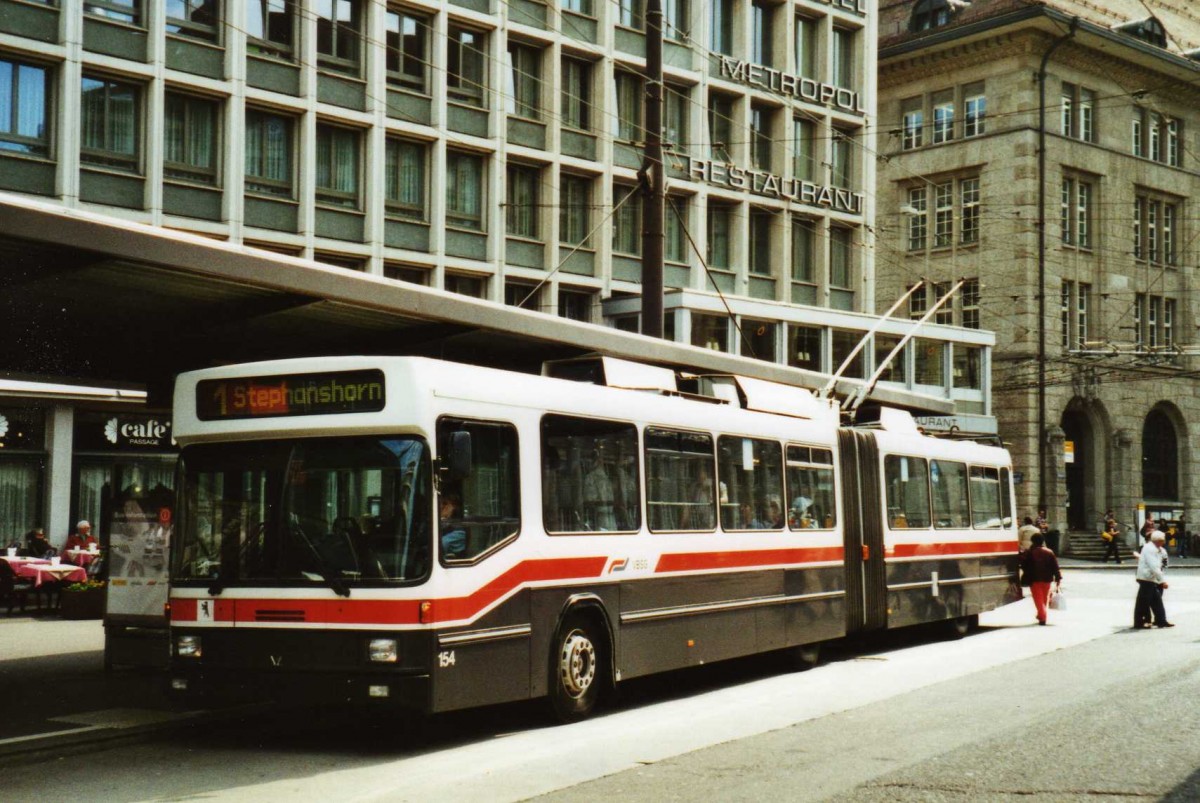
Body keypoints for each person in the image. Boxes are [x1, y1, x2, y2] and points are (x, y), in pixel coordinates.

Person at [1133, 530, 1173, 629]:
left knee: (1156, 600)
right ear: (1157, 540)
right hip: (1146, 578)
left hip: (1151, 578)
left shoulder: (1157, 549)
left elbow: (1162, 563)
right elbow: (1154, 566)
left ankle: (1161, 620)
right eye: (1162, 540)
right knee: (1143, 601)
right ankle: (1139, 621)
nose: (1164, 542)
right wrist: (1162, 580)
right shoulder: (1150, 549)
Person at [1021, 533, 1062, 626]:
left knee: (1038, 600)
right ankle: (1040, 615)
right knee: (1044, 599)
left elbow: (1024, 565)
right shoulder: (1049, 552)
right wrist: (1058, 578)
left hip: (1034, 579)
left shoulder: (1030, 552)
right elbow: (1055, 567)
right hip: (1047, 579)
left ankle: (1042, 617)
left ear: (1032, 541)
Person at [439, 493, 467, 558]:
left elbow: (442, 544)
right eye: (440, 503)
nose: (441, 506)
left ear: (454, 507)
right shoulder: (445, 523)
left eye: (445, 503)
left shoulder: (459, 531)